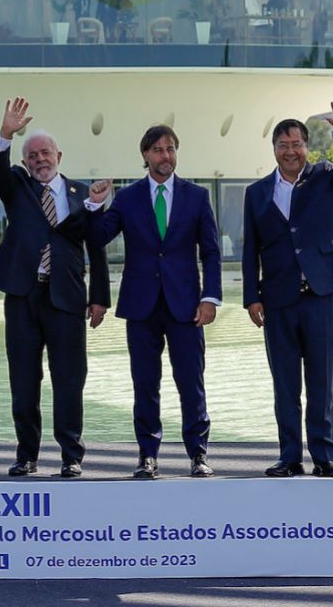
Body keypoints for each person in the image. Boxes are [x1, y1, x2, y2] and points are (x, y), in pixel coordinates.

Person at [242, 98, 333, 479]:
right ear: (274, 150)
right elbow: (250, 248)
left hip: (320, 295)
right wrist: (251, 297)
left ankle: (324, 455)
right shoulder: (258, 192)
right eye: (283, 145)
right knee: (285, 384)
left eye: (296, 144)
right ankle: (290, 456)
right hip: (278, 300)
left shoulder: (326, 177)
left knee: (321, 380)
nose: (290, 151)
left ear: (306, 148)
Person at [87, 126, 221, 479]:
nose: (166, 156)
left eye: (171, 149)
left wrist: (210, 298)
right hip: (141, 306)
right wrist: (95, 204)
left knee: (191, 382)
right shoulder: (128, 198)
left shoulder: (197, 196)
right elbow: (99, 236)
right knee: (145, 383)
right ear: (145, 155)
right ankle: (148, 455)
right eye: (158, 150)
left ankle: (198, 454)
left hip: (187, 307)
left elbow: (210, 252)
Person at [0, 97, 110, 478]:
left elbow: (97, 247)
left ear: (59, 154)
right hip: (23, 295)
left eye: (46, 152)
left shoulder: (84, 194)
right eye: (33, 155)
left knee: (70, 380)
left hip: (67, 298)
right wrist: (7, 132)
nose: (40, 159)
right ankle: (27, 454)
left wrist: (100, 298)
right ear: (25, 162)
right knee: (24, 380)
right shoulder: (17, 186)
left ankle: (72, 455)